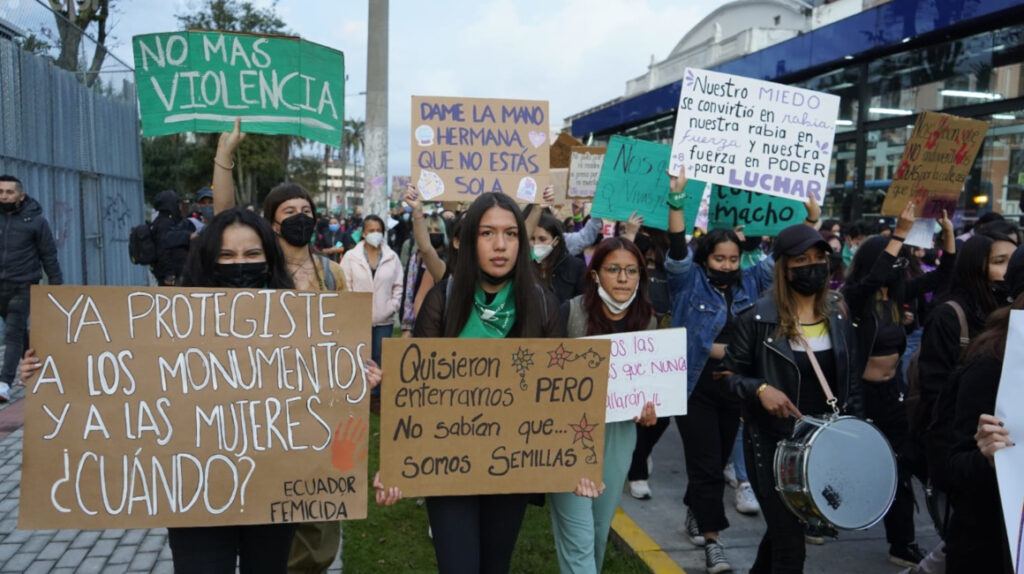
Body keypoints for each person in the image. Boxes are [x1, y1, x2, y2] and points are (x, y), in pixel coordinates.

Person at [19, 206, 382, 573]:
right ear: (209, 260)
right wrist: (47, 369)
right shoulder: (172, 325)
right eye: (227, 255)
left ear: (268, 259)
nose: (240, 263)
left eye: (252, 254)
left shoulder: (304, 324)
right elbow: (108, 370)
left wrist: (354, 381)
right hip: (197, 494)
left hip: (274, 487)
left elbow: (324, 396)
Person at [374, 192, 588, 574]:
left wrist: (576, 461)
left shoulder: (541, 303)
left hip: (513, 467)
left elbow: (560, 393)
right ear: (468, 240)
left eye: (510, 233)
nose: (500, 244)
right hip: (447, 464)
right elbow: (414, 393)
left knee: (495, 566)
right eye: (487, 233)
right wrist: (394, 463)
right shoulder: (443, 299)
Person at [211, 119, 349, 573]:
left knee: (321, 520)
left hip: (320, 407)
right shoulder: (260, 268)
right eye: (288, 210)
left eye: (305, 208)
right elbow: (223, 218)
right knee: (275, 512)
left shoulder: (333, 274)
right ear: (271, 221)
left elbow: (345, 338)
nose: (299, 217)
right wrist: (225, 156)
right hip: (265, 405)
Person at [722, 222, 862, 574]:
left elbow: (851, 376)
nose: (812, 265)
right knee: (790, 548)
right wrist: (759, 389)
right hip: (771, 444)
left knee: (782, 533)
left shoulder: (839, 313)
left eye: (819, 257)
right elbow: (726, 376)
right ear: (783, 266)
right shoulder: (757, 318)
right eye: (802, 259)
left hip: (822, 445)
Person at [841, 202, 955, 568]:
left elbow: (942, 277)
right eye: (895, 261)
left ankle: (901, 543)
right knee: (858, 468)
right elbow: (871, 279)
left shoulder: (895, 299)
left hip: (893, 397)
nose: (902, 266)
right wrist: (899, 233)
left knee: (901, 469)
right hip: (861, 400)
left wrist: (948, 236)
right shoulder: (856, 301)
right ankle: (820, 518)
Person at [548, 237, 658, 574]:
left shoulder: (648, 319)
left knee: (597, 531)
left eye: (631, 270)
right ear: (595, 274)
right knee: (578, 536)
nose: (623, 278)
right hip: (567, 434)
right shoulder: (569, 313)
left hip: (619, 432)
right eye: (613, 269)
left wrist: (649, 410)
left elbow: (650, 384)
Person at [0, 175, 63, 402]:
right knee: (18, 334)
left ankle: (4, 383)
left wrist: (56, 285)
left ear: (21, 195)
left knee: (13, 332)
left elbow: (48, 255)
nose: (4, 196)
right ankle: (40, 362)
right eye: (1, 192)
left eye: (9, 192)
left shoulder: (35, 221)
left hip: (24, 284)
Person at [340, 215, 403, 368]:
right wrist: (351, 309)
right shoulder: (351, 257)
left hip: (384, 319)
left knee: (380, 361)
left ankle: (377, 392)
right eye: (371, 230)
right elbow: (344, 284)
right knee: (358, 359)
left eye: (379, 230)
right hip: (358, 319)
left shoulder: (392, 257)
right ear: (363, 233)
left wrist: (393, 306)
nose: (376, 233)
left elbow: (398, 285)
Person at [531, 212, 585, 304]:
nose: (536, 244)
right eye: (532, 238)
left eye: (542, 239)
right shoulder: (522, 265)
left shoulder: (576, 267)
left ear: (556, 241)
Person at [150, 189, 193, 286]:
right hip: (169, 276)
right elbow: (163, 250)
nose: (179, 207)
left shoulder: (164, 221)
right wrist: (169, 274)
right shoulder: (164, 223)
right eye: (177, 203)